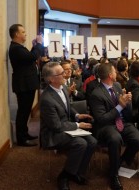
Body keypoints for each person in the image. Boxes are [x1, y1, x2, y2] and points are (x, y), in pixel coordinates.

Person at [40, 62, 97, 190]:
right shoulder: (46, 99)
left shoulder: (63, 87)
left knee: (92, 142)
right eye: (61, 73)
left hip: (66, 126)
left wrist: (77, 116)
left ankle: (77, 172)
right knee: (80, 143)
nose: (65, 74)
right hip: (52, 133)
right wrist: (77, 125)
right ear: (51, 79)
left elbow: (67, 107)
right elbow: (56, 126)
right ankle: (64, 176)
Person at [89, 63, 139, 190]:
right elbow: (102, 119)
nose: (116, 73)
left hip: (122, 122)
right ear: (110, 75)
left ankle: (120, 161)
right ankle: (113, 175)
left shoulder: (118, 86)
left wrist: (127, 102)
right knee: (115, 139)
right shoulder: (96, 94)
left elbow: (127, 112)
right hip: (106, 126)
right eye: (114, 71)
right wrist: (120, 106)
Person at [8, 24, 44, 146]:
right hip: (23, 84)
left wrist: (34, 46)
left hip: (26, 83)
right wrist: (38, 44)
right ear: (17, 34)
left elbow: (29, 57)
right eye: (23, 32)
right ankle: (21, 139)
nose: (25, 34)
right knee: (23, 112)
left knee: (26, 110)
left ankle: (25, 133)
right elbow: (32, 57)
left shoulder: (19, 47)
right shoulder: (15, 48)